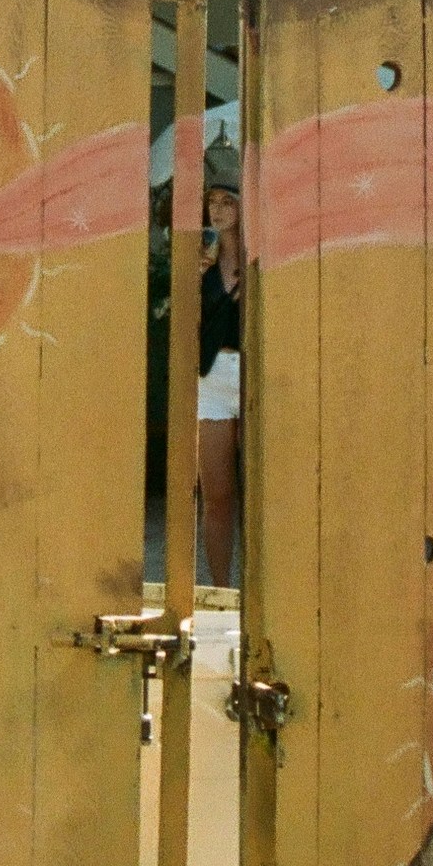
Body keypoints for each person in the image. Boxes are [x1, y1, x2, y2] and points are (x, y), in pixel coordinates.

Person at [196, 150, 243, 586]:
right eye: (213, 202)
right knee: (217, 496)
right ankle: (220, 589)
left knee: (266, 495)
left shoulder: (258, 263)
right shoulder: (201, 264)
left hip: (254, 378)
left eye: (227, 202)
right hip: (211, 378)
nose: (218, 210)